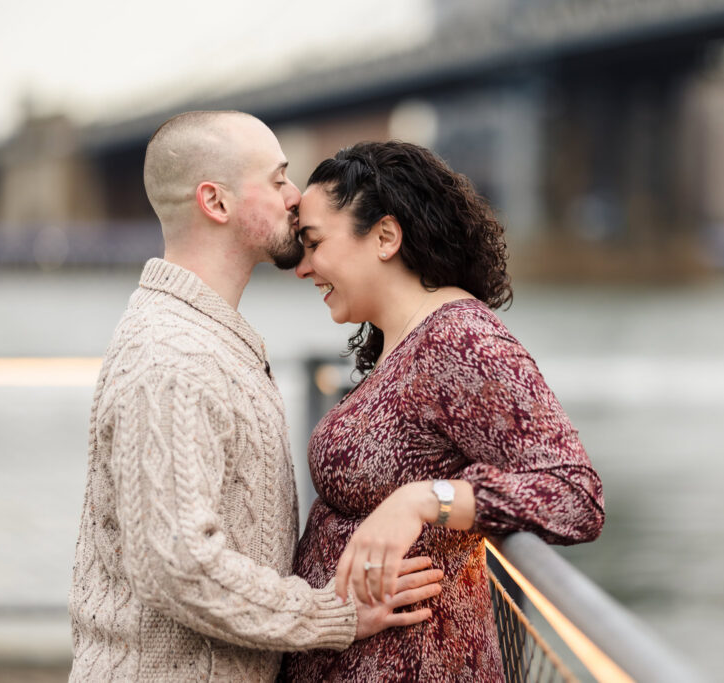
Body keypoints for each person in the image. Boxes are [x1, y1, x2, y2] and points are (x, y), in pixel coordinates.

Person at [68, 112, 443, 681]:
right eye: (277, 179)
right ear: (215, 203)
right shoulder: (174, 355)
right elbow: (179, 565)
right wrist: (336, 615)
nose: (296, 197)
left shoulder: (206, 336)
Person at [283, 141, 606, 681]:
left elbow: (575, 495)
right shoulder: (403, 343)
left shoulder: (461, 340)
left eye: (314, 244)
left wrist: (421, 501)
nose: (304, 267)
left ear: (385, 236)